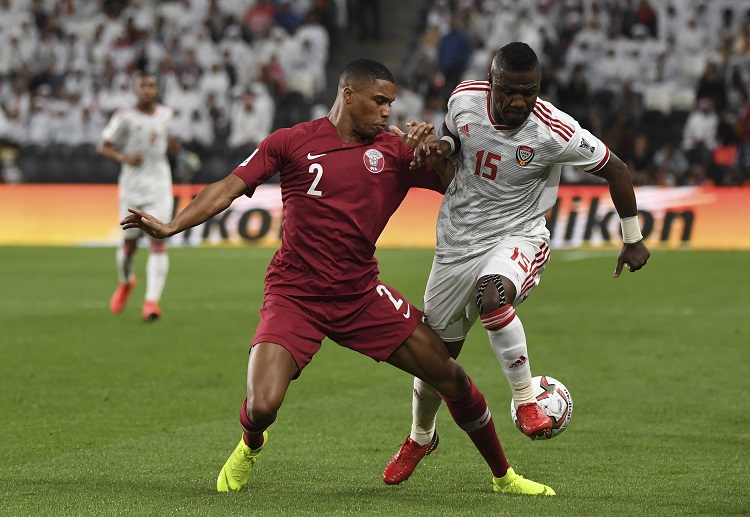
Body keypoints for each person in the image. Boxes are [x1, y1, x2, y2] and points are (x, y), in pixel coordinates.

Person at [120, 58, 555, 496]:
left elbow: (460, 189)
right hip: (295, 295)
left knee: (451, 376)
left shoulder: (396, 150)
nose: (388, 111)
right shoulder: (291, 141)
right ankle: (251, 443)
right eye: (380, 101)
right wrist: (173, 225)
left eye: (392, 103)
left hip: (361, 295)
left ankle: (504, 477)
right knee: (262, 406)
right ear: (349, 95)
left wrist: (436, 153)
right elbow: (229, 186)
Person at [382, 42, 651, 484]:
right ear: (492, 83)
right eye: (509, 91)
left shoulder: (554, 129)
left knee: (493, 295)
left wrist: (632, 239)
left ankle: (526, 399)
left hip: (518, 235)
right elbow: (456, 139)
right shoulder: (464, 97)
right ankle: (421, 437)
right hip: (455, 242)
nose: (519, 102)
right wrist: (438, 146)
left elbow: (616, 169)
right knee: (435, 360)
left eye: (530, 92)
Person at [97, 72, 176, 322]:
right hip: (132, 188)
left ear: (156, 90)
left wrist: (174, 147)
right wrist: (124, 157)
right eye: (142, 86)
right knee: (129, 245)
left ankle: (151, 303)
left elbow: (168, 141)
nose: (147, 90)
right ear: (136, 90)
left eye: (151, 86)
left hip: (160, 186)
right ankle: (126, 282)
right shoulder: (124, 117)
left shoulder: (167, 115)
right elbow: (104, 145)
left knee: (158, 241)